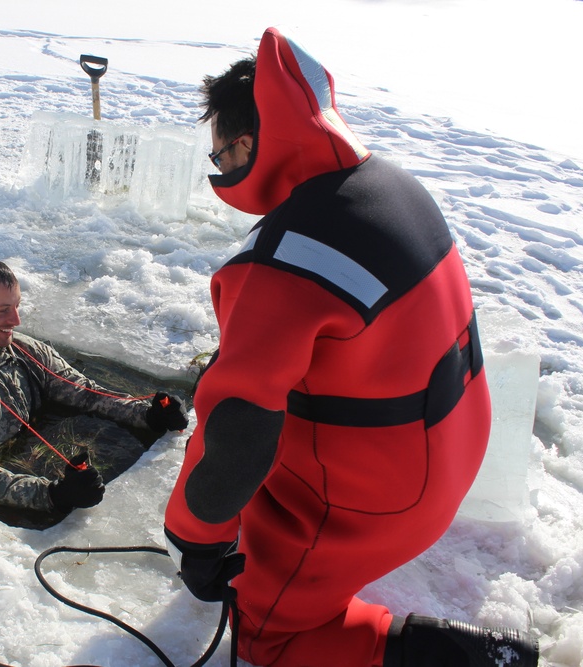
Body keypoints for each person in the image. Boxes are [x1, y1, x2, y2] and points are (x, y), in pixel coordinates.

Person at [162, 27, 539, 667]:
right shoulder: (389, 184)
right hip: (455, 440)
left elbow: (238, 424)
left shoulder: (282, 261)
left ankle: (480, 658)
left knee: (266, 636)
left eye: (221, 156)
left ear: (250, 144)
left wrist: (194, 540)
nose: (220, 171)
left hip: (385, 498)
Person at [0, 256, 188, 514]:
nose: (16, 320)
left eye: (17, 306)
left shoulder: (24, 350)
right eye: (2, 311)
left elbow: (83, 391)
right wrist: (53, 495)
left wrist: (145, 414)